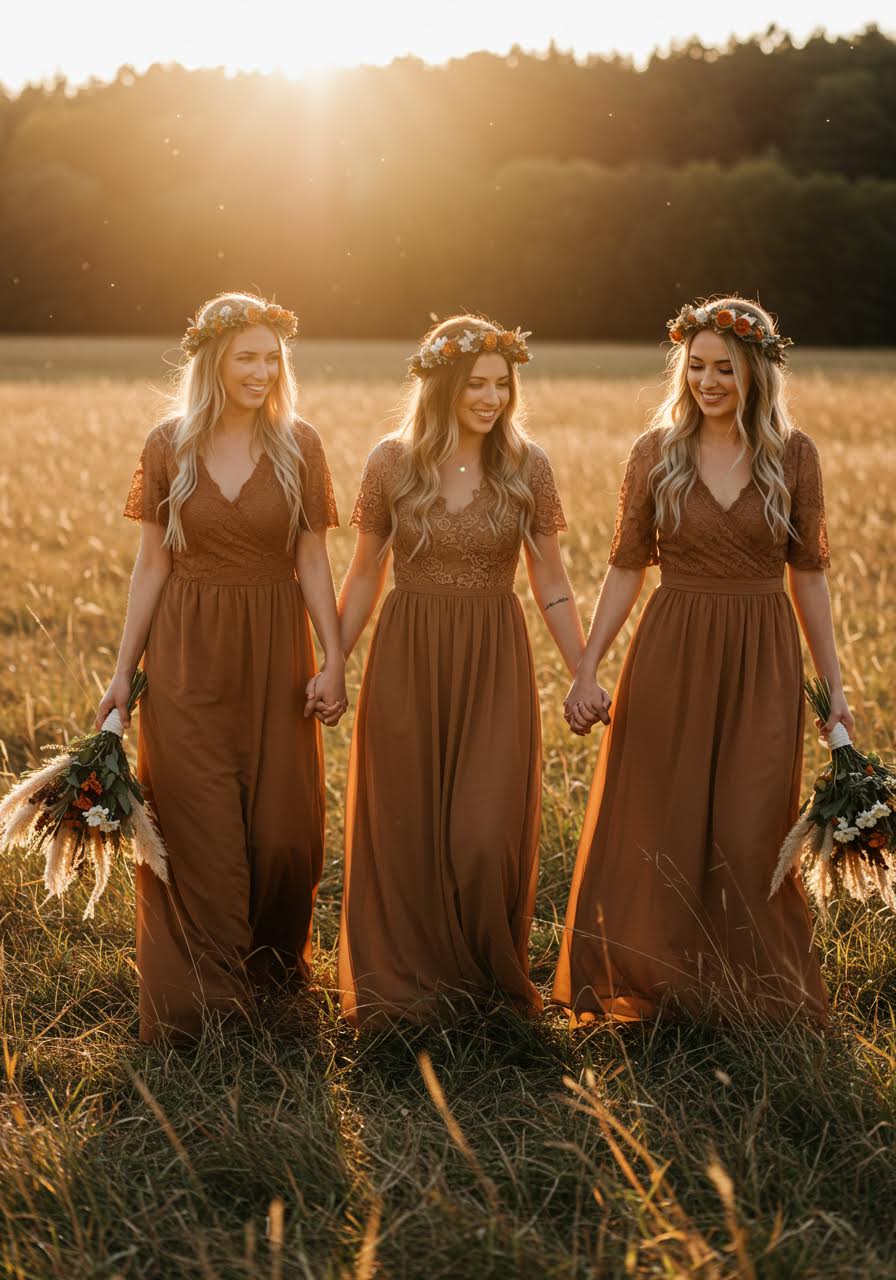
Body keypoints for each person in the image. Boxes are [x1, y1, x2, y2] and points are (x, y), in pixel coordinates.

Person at [555, 296, 851, 1024]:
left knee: (752, 829)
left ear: (756, 371)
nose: (709, 382)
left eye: (725, 368)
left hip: (763, 657)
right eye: (696, 367)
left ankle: (749, 993)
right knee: (666, 821)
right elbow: (627, 567)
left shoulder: (794, 454)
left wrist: (833, 692)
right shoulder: (656, 451)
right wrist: (588, 667)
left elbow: (807, 577)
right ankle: (665, 983)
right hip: (671, 650)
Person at [97, 292, 346, 1043]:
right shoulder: (167, 443)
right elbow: (151, 563)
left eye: (273, 359)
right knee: (199, 831)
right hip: (186, 657)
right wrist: (122, 675)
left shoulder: (300, 444)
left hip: (276, 654)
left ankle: (269, 976)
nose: (262, 372)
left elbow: (312, 559)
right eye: (247, 358)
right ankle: (203, 1003)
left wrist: (334, 660)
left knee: (282, 836)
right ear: (212, 361)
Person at [337, 315, 583, 1027]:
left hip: (493, 658)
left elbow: (553, 582)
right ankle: (407, 988)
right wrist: (333, 665)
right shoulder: (391, 461)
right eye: (475, 383)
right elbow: (361, 576)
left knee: (482, 834)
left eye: (501, 384)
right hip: (407, 656)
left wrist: (583, 669)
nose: (490, 397)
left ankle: (483, 983)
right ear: (442, 383)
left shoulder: (527, 465)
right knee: (407, 826)